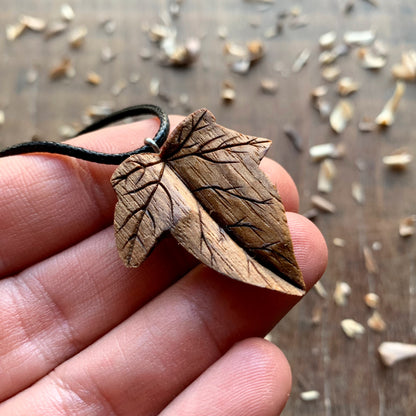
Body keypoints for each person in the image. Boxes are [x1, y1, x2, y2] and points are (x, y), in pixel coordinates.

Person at [0, 116, 327, 415]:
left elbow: (133, 241)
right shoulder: (177, 157)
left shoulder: (162, 167)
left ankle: (277, 269)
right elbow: (132, 244)